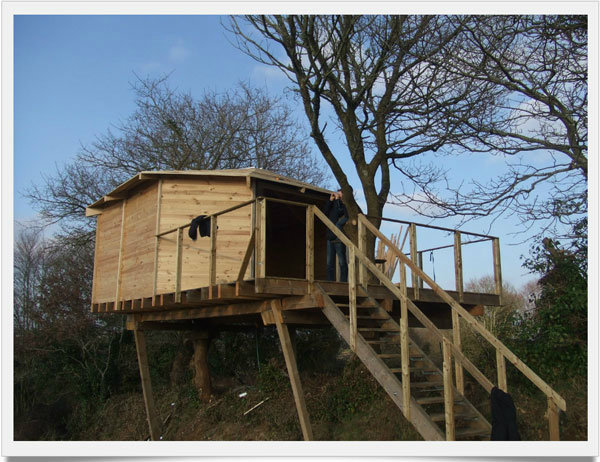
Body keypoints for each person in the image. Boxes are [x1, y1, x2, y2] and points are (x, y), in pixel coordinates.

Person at [323, 189, 349, 282]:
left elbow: (340, 212)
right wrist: (330, 200)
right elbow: (325, 213)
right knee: (329, 263)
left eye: (340, 194)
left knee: (342, 262)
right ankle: (329, 281)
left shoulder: (344, 206)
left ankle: (343, 281)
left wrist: (338, 200)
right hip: (330, 236)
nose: (337, 195)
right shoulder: (333, 204)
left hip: (339, 237)